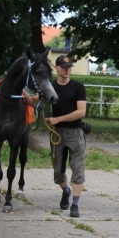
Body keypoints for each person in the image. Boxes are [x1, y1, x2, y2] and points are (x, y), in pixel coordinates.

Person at [46, 55, 87, 218]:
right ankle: (65, 190)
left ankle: (75, 204)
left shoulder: (78, 87)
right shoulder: (49, 87)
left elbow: (81, 112)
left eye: (69, 67)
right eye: (64, 67)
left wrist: (58, 119)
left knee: (77, 169)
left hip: (75, 133)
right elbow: (35, 100)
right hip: (57, 133)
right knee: (57, 171)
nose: (67, 70)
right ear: (56, 68)